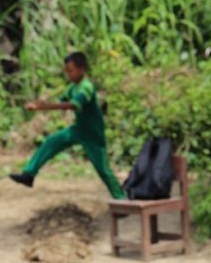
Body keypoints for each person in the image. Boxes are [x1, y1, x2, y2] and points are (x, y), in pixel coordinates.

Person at [9, 51, 125, 199]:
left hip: (93, 134)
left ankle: (121, 197)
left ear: (81, 69)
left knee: (103, 170)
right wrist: (43, 102)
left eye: (71, 71)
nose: (68, 74)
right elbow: (62, 101)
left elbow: (72, 105)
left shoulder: (86, 87)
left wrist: (43, 107)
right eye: (67, 71)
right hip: (78, 129)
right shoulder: (73, 86)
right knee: (51, 142)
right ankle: (29, 174)